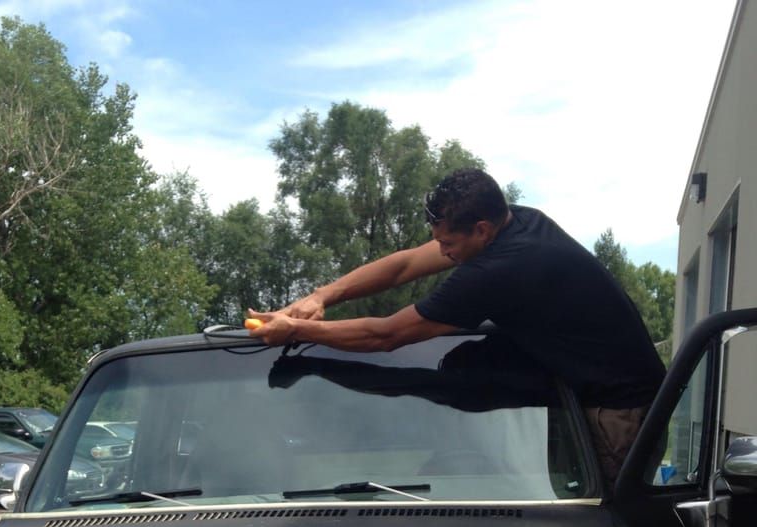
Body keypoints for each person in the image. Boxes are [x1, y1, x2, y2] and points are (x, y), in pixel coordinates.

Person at [248, 167, 666, 489]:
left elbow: (387, 336)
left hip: (620, 411)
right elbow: (406, 264)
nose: (443, 252)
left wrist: (297, 331)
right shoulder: (514, 220)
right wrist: (321, 296)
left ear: (481, 229)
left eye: (448, 243)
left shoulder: (502, 268)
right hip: (577, 389)